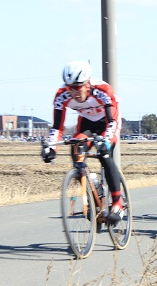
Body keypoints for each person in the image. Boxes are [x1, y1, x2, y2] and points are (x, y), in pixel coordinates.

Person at [42, 61, 123, 223]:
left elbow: (112, 122)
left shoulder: (102, 91)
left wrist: (105, 142)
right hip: (86, 122)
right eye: (70, 88)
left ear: (87, 84)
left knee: (104, 154)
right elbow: (57, 127)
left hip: (108, 122)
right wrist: (51, 148)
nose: (74, 93)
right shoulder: (61, 95)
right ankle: (93, 188)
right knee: (76, 152)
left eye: (77, 87)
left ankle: (117, 204)